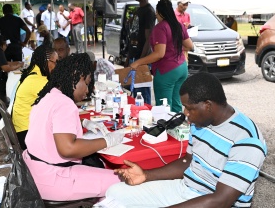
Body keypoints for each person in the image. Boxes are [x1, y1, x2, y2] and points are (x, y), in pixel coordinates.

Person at [105, 72, 267, 208]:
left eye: (189, 108)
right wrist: (146, 175)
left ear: (208, 105)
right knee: (114, 194)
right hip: (186, 189)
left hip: (214, 203)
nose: (185, 114)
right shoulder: (201, 122)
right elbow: (187, 161)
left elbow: (222, 200)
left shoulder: (248, 140)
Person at [23, 53, 124, 201]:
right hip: (54, 179)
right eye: (87, 83)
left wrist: (82, 123)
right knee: (124, 179)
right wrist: (107, 141)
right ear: (77, 77)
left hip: (34, 172)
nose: (87, 91)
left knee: (99, 168)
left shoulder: (49, 96)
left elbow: (50, 125)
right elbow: (68, 148)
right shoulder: (65, 103)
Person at [130, 0, 193, 113]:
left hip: (167, 71)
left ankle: (166, 129)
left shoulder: (160, 27)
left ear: (160, 12)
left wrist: (138, 62)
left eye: (157, 12)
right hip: (182, 68)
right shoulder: (179, 25)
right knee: (176, 103)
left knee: (163, 107)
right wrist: (174, 48)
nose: (155, 15)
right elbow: (189, 45)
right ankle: (176, 128)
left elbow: (159, 54)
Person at [12, 45, 58, 150]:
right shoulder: (38, 79)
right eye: (55, 62)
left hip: (22, 128)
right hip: (26, 133)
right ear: (46, 61)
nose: (56, 66)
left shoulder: (32, 71)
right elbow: (58, 99)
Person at [126, 0, 155, 105]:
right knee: (135, 93)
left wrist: (141, 61)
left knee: (142, 95)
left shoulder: (149, 12)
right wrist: (129, 58)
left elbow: (149, 39)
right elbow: (133, 36)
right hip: (134, 57)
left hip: (141, 59)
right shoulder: (139, 10)